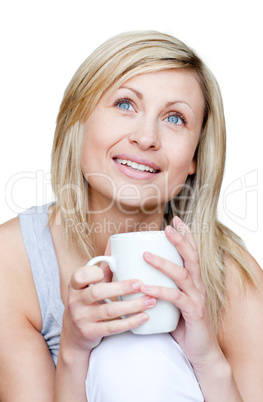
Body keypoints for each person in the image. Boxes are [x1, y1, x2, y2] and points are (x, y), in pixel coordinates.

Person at [0, 30, 262, 402]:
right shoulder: (13, 263)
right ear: (79, 120)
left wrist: (206, 359)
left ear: (195, 159)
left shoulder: (232, 274)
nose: (146, 137)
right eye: (125, 104)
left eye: (175, 118)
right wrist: (75, 354)